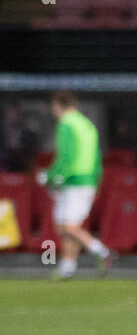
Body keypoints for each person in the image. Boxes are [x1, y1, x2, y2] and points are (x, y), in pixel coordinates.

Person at [38, 92, 114, 278]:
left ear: (58, 106)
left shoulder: (67, 124)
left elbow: (66, 156)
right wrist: (97, 180)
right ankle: (68, 267)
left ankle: (102, 251)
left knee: (67, 228)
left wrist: (50, 176)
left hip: (73, 180)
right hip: (87, 180)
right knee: (68, 225)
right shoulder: (87, 125)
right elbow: (97, 157)